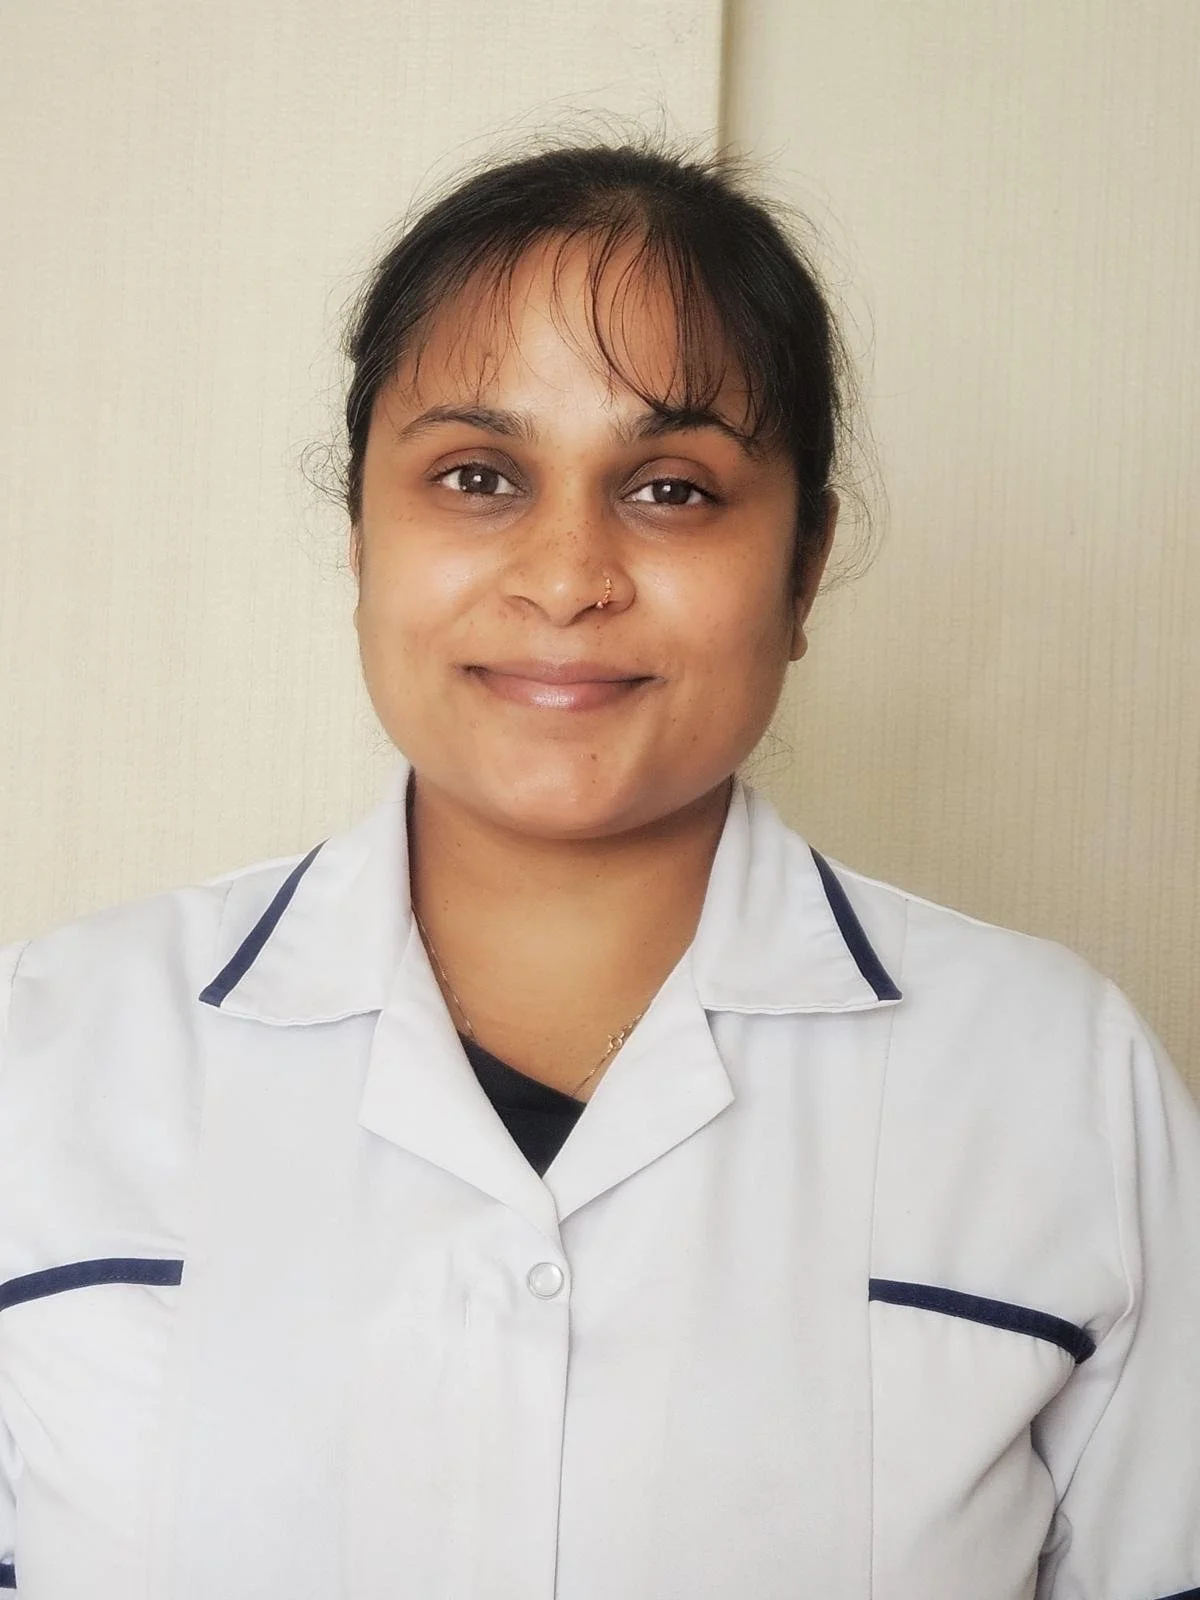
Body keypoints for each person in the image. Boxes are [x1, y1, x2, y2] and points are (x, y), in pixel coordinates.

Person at [0, 135, 1197, 1600]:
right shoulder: (45, 1056)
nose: (568, 577)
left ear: (804, 565)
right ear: (362, 538)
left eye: (673, 489)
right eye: (478, 476)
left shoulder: (1059, 1080)